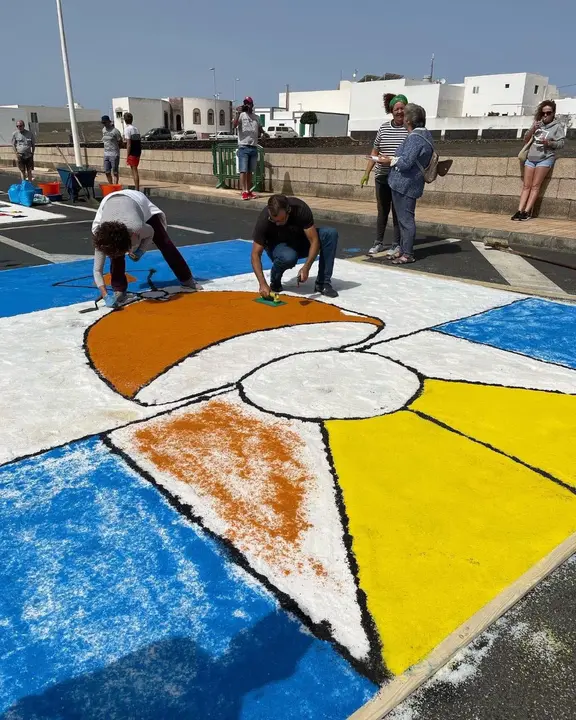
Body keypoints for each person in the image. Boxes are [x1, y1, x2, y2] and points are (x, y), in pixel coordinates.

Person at [92, 189, 197, 307]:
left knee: (164, 242)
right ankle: (119, 289)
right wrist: (105, 294)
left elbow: (151, 232)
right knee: (115, 256)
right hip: (111, 203)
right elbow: (97, 270)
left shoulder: (136, 226)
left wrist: (141, 251)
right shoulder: (99, 236)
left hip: (137, 201)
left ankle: (187, 279)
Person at [251, 194, 339, 299]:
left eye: (281, 220)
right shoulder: (264, 220)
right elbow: (255, 254)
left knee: (330, 234)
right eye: (273, 220)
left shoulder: (300, 209)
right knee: (289, 257)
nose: (277, 224)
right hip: (278, 247)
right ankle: (275, 279)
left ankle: (323, 283)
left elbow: (314, 240)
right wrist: (262, 283)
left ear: (289, 211)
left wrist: (306, 267)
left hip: (299, 241)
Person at [377, 103, 434, 265]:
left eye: (405, 115)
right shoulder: (425, 135)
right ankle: (403, 249)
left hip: (405, 184)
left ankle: (408, 253)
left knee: (406, 220)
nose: (402, 116)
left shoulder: (415, 138)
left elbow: (405, 163)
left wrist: (389, 160)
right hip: (410, 183)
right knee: (403, 219)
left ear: (409, 120)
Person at [361, 94, 409, 256]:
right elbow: (375, 150)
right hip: (382, 176)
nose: (400, 111)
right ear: (391, 111)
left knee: (397, 211)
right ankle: (378, 242)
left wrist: (393, 160)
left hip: (399, 178)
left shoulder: (410, 130)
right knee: (382, 211)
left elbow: (410, 154)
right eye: (396, 109)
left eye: (402, 108)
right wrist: (367, 172)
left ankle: (396, 244)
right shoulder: (383, 128)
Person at [512, 100, 565, 221]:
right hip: (531, 158)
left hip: (545, 159)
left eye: (548, 113)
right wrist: (532, 129)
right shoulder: (537, 124)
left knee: (535, 186)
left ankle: (527, 212)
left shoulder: (557, 127)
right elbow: (526, 139)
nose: (545, 115)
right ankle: (519, 210)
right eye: (543, 113)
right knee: (526, 186)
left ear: (553, 114)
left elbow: (561, 143)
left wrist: (550, 143)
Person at [233, 96, 263, 201]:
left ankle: (249, 190)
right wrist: (237, 113)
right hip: (243, 147)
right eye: (245, 103)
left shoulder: (256, 117)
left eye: (249, 103)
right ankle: (244, 191)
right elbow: (234, 125)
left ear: (252, 105)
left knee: (250, 171)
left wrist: (263, 133)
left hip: (253, 146)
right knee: (243, 170)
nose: (247, 105)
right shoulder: (241, 115)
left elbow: (260, 129)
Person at [101, 115, 122, 185]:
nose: (104, 124)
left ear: (109, 122)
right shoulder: (103, 130)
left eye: (105, 122)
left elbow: (120, 141)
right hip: (106, 154)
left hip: (114, 154)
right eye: (103, 123)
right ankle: (110, 184)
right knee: (107, 171)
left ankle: (115, 185)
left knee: (115, 172)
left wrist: (117, 149)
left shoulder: (115, 131)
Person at [123, 112, 142, 191]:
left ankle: (137, 189)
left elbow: (129, 144)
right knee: (135, 169)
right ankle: (137, 188)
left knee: (134, 171)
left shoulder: (127, 129)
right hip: (138, 151)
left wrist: (127, 156)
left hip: (132, 152)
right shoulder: (136, 129)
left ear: (125, 120)